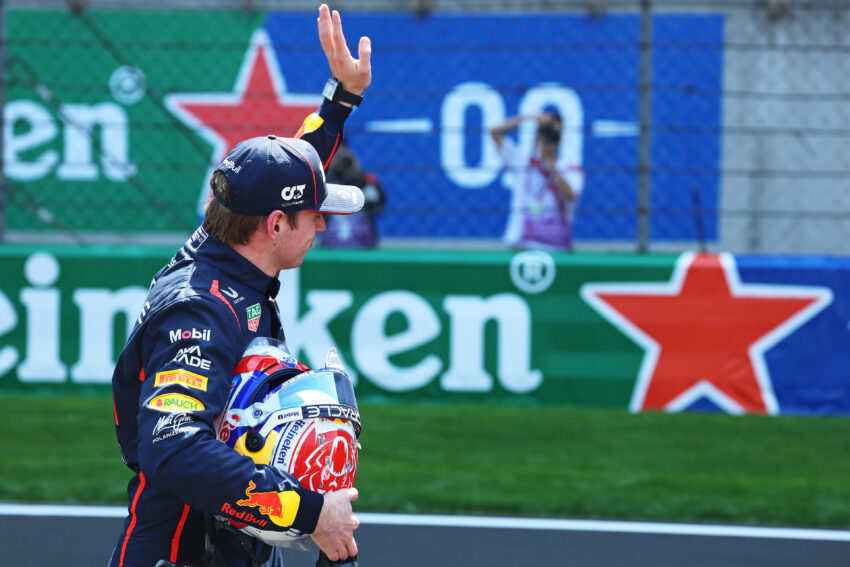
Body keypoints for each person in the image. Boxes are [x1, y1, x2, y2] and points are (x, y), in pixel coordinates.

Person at [108, 5, 370, 567]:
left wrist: (341, 98)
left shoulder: (226, 233)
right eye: (315, 216)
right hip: (182, 551)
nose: (323, 227)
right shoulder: (200, 313)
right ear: (275, 226)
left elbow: (286, 171)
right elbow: (173, 447)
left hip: (231, 541)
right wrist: (308, 512)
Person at [490, 111, 584, 251]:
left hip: (555, 246)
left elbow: (571, 195)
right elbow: (494, 132)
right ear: (537, 137)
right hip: (521, 244)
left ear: (560, 139)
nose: (549, 138)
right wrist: (529, 118)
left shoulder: (569, 168)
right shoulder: (523, 162)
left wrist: (551, 165)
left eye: (554, 134)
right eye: (545, 133)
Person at [320, 139, 385, 248]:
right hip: (331, 237)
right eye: (336, 153)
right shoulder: (323, 180)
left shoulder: (365, 179)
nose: (340, 157)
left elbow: (377, 204)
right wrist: (328, 171)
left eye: (342, 150)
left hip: (362, 237)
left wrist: (356, 173)